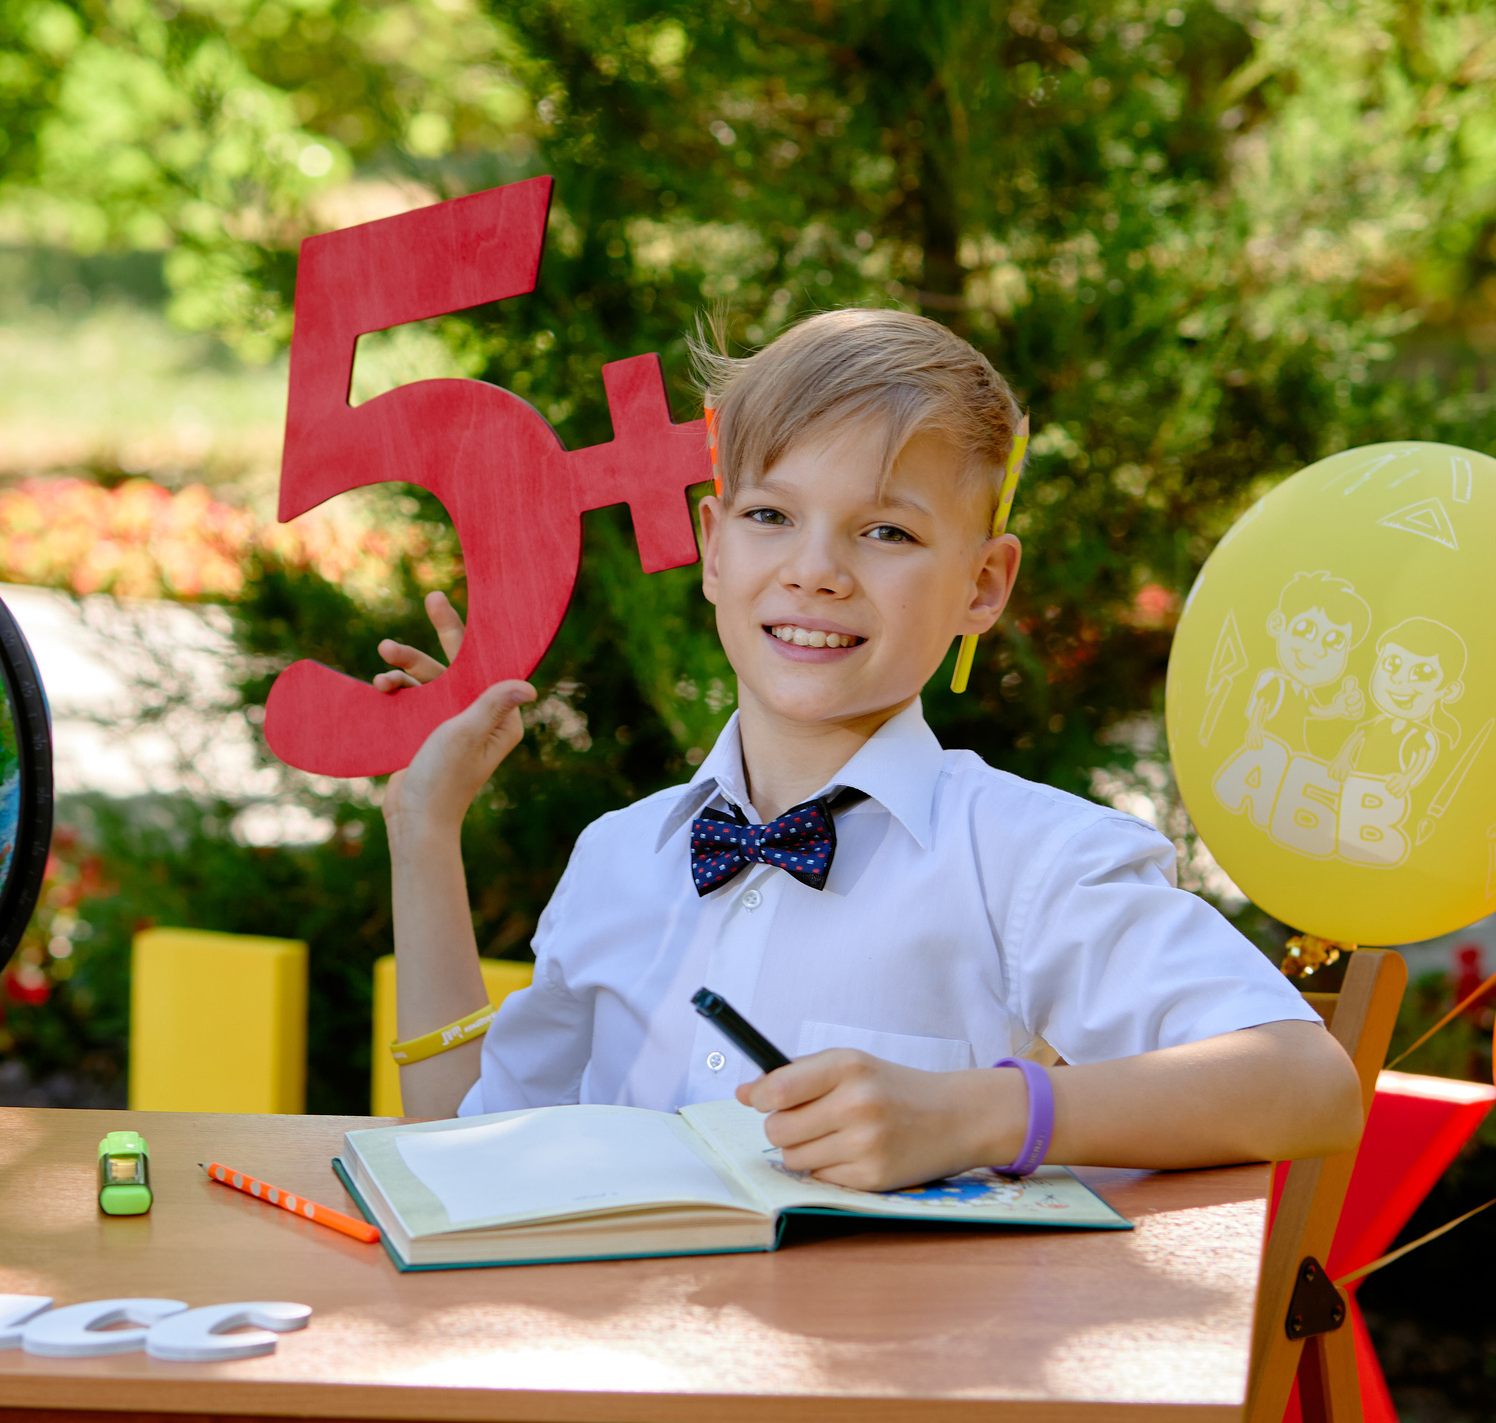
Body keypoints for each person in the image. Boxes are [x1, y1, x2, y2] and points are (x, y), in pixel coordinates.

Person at [372, 308, 1361, 1191]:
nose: (815, 572)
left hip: (888, 1391)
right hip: (632, 1382)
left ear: (982, 584)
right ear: (714, 548)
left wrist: (976, 1114)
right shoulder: (617, 860)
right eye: (770, 517)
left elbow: (1307, 1083)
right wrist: (424, 832)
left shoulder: (1028, 858)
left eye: (884, 531)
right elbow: (467, 1155)